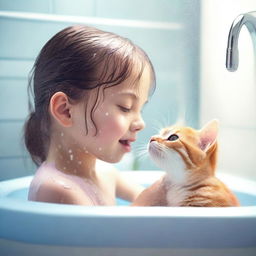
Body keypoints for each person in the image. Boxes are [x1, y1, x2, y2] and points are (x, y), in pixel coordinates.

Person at [24, 25, 156, 206]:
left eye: (140, 109)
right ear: (66, 111)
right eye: (125, 107)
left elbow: (153, 202)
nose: (140, 123)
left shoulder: (105, 173)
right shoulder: (56, 190)